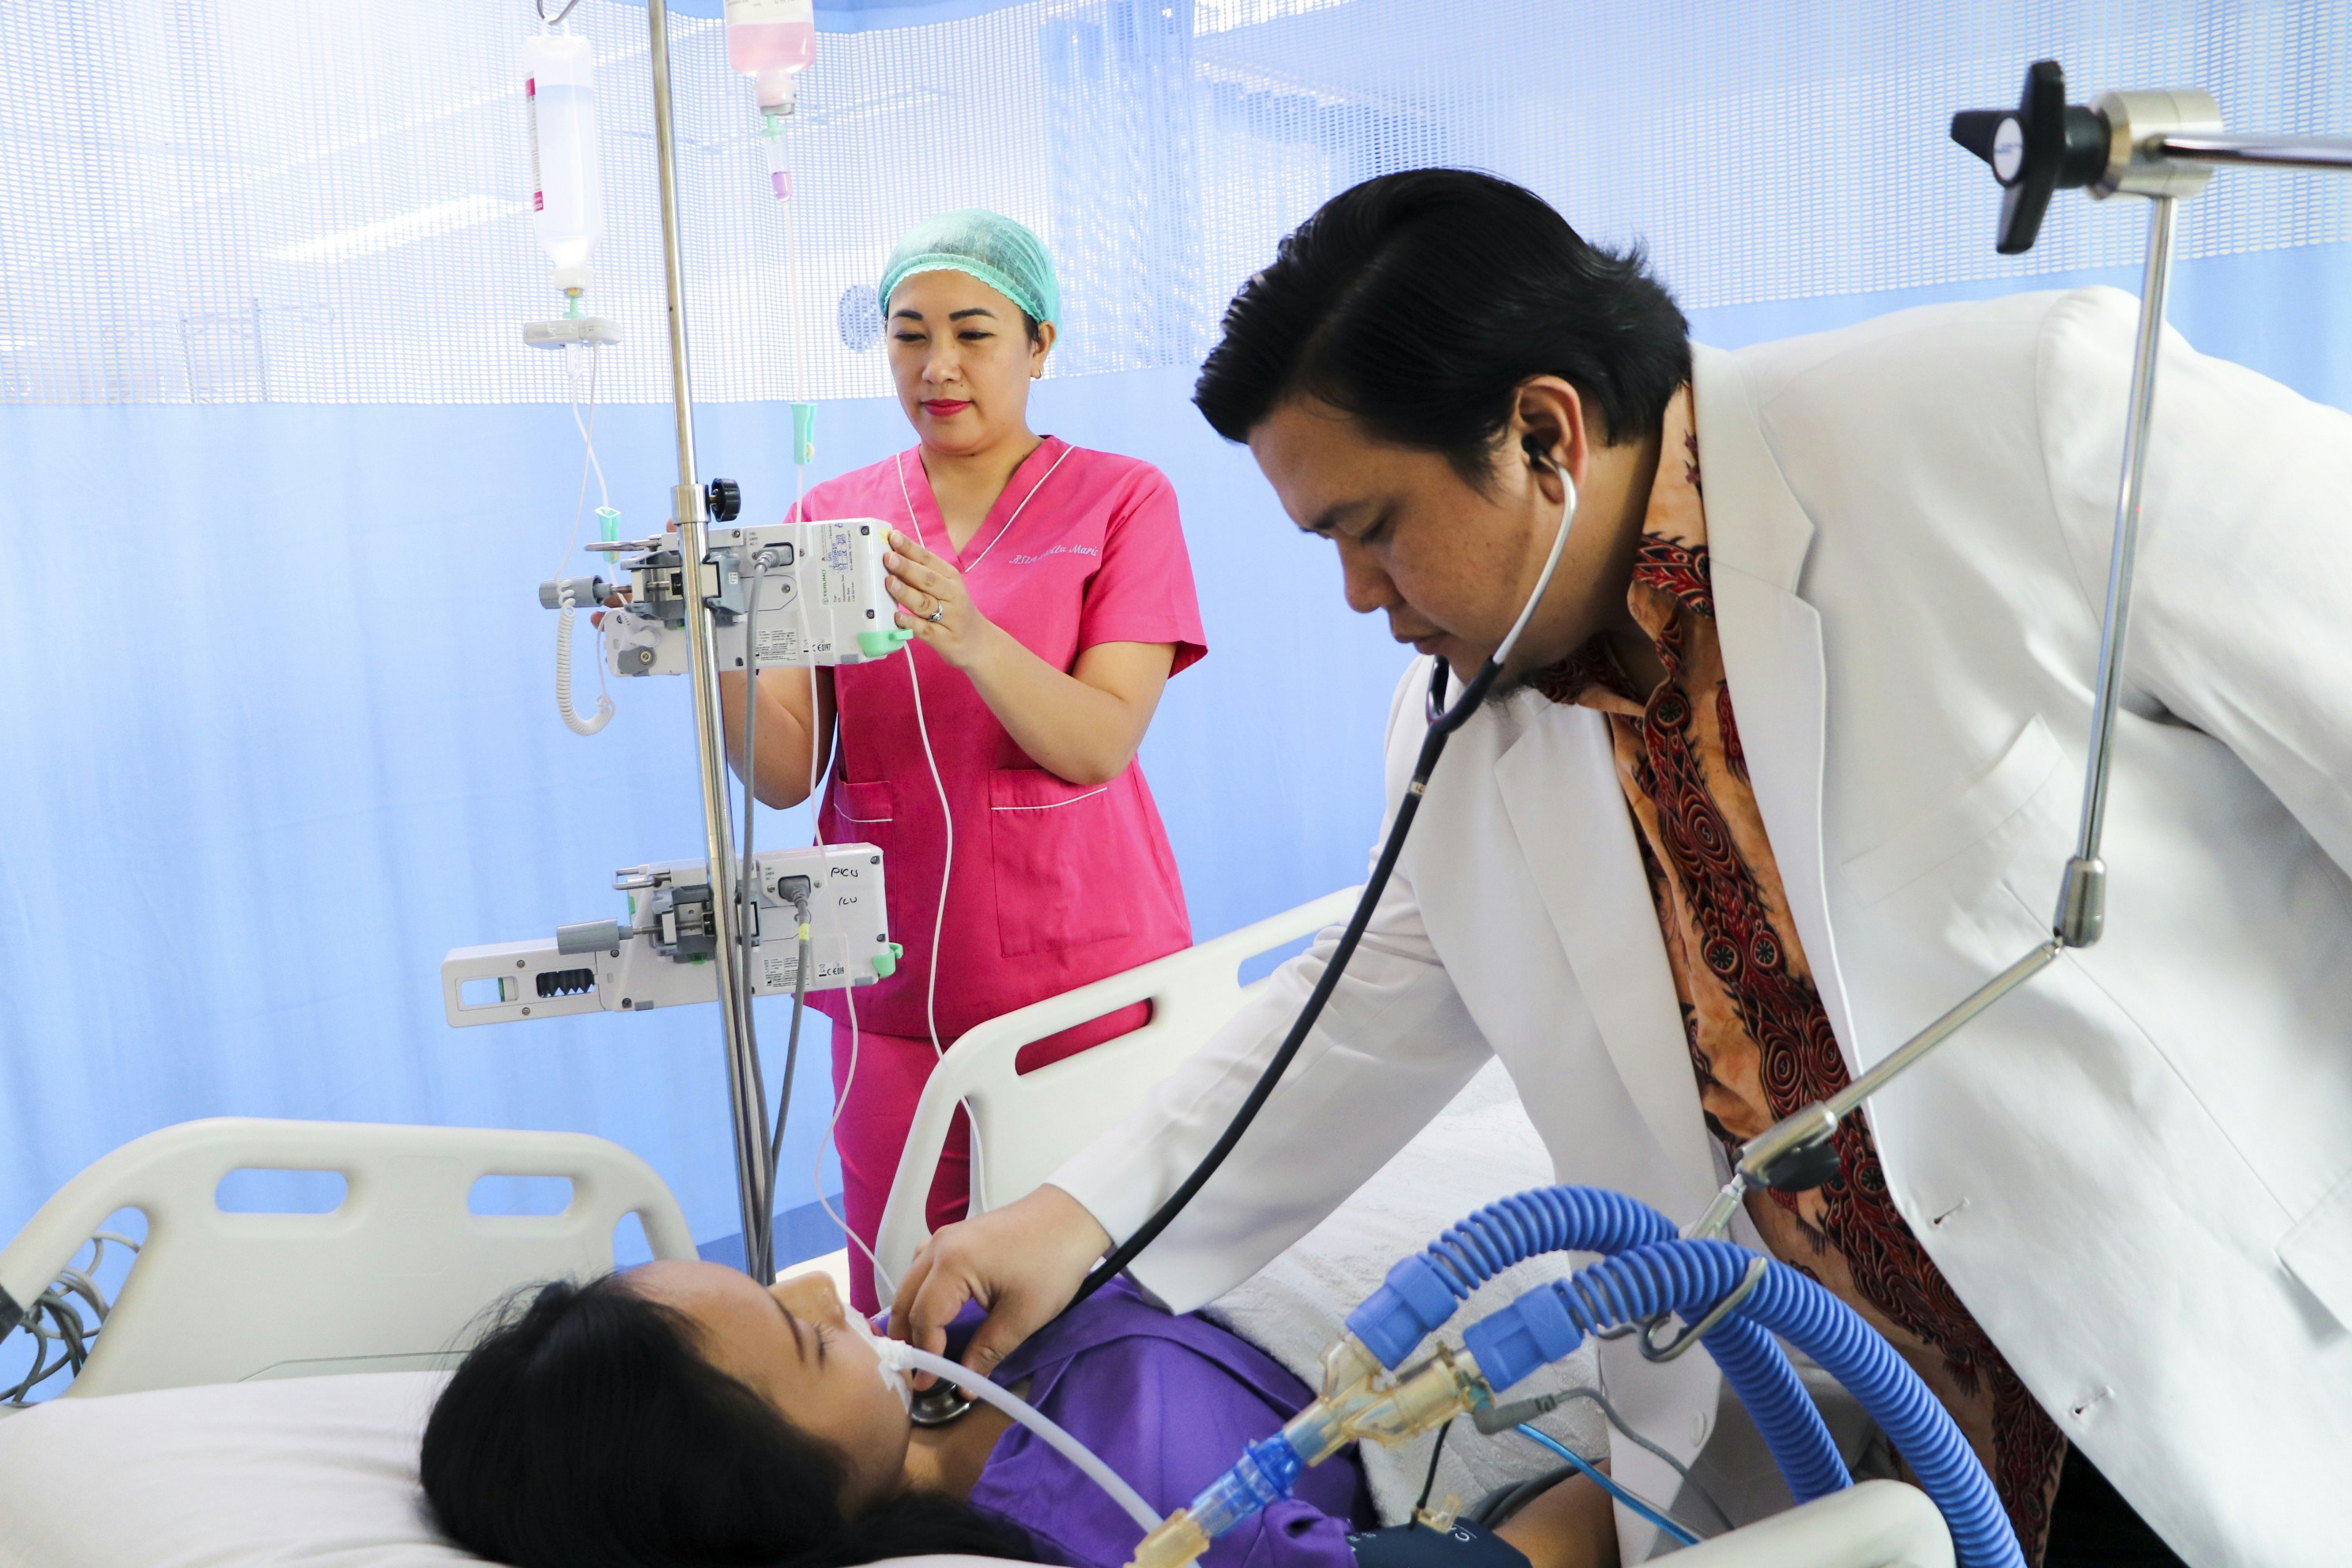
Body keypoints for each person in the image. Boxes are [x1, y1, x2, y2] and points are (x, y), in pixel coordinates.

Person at [888, 171, 2352, 1568]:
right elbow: (1353, 1011)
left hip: (2232, 1362)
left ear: (1544, 433)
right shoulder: (1464, 724)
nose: (1356, 596)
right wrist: (1074, 1220)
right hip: (1913, 1440)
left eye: (1372, 528)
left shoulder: (2023, 423)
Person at [720, 210, 1207, 1314]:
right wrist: (722, 648)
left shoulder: (1123, 500)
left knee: (1091, 1293)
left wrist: (971, 632)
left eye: (973, 332)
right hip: (890, 979)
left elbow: (1097, 741)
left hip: (1082, 973)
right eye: (907, 334)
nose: (936, 366)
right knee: (905, 1302)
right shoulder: (828, 520)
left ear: (1040, 343)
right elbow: (786, 774)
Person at [419, 1262, 1618, 1568]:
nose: (827, 1289)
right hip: (1555, 1305)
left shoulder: (956, 1354)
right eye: (807, 1338)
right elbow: (1519, 1553)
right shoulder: (1132, 1528)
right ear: (771, 1496)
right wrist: (1666, 1422)